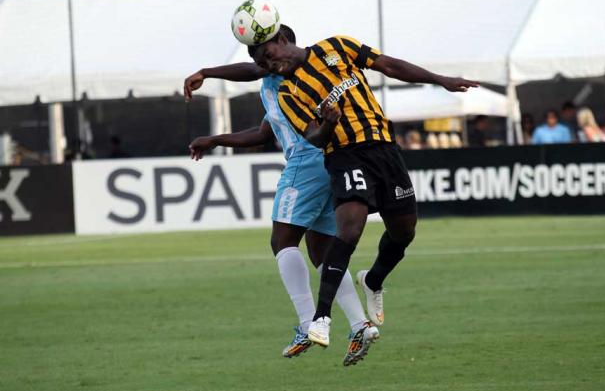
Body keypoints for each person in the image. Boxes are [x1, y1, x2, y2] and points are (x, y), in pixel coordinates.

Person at [248, 30, 478, 346]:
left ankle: (372, 281)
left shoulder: (337, 46)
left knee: (404, 231)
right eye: (264, 65)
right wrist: (328, 124)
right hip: (344, 154)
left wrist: (440, 79)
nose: (271, 66)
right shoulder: (288, 93)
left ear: (282, 40)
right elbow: (313, 137)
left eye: (269, 57)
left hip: (384, 149)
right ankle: (321, 320)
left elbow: (390, 65)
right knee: (349, 229)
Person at [184, 25, 378, 367]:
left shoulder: (284, 76)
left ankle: (307, 324)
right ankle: (360, 325)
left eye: (261, 53)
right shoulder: (276, 87)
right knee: (321, 251)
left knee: (282, 240)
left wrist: (207, 72)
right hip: (328, 164)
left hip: (307, 160)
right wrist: (215, 139)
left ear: (279, 45)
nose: (259, 61)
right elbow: (262, 133)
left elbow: (251, 70)